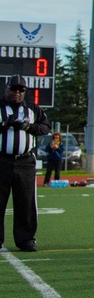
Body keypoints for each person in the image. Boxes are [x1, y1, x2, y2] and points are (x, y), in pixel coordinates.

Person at [1, 75, 50, 252]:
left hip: (25, 161)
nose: (17, 93)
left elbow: (45, 128)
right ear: (6, 89)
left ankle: (26, 240)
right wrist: (4, 125)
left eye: (21, 90)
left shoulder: (32, 110)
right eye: (14, 89)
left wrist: (27, 127)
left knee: (26, 202)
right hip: (2, 160)